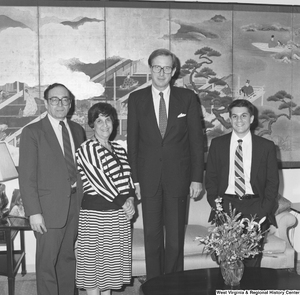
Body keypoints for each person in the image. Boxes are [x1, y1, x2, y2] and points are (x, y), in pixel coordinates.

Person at [127, 48, 204, 280]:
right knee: (151, 238)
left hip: (178, 179)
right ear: (150, 69)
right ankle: (153, 285)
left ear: (174, 71)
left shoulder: (187, 98)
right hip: (148, 179)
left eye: (167, 68)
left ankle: (173, 285)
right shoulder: (136, 99)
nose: (162, 72)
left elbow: (196, 142)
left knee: (174, 240)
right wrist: (135, 180)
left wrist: (196, 178)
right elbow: (133, 143)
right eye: (157, 67)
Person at [19, 83, 86, 295]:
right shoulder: (33, 132)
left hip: (75, 205)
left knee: (67, 259)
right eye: (54, 100)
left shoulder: (77, 130)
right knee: (47, 265)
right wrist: (34, 213)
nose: (60, 104)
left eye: (65, 99)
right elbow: (27, 177)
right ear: (46, 103)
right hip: (47, 210)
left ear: (70, 103)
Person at [205, 99, 279, 267]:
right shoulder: (217, 145)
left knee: (252, 263)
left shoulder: (266, 146)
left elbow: (272, 183)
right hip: (226, 206)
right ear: (230, 119)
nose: (239, 120)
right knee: (226, 263)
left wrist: (263, 211)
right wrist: (217, 207)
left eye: (244, 116)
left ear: (251, 119)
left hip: (255, 207)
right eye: (235, 116)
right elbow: (211, 179)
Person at [75, 102, 135, 295]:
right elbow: (99, 181)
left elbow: (128, 179)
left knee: (109, 272)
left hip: (118, 217)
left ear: (113, 122)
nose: (104, 125)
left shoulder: (119, 149)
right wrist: (124, 203)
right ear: (92, 124)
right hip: (96, 217)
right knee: (93, 272)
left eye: (107, 119)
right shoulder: (86, 148)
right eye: (98, 121)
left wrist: (131, 199)